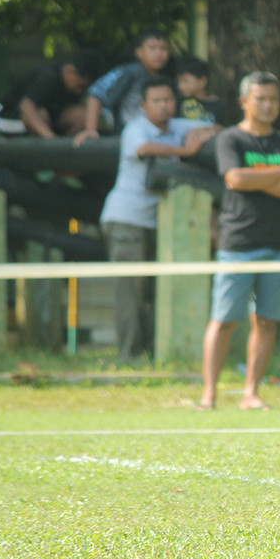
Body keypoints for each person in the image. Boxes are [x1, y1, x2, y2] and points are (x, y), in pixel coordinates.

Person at [197, 71, 280, 410]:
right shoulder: (230, 140)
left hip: (279, 244)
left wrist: (252, 179)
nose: (268, 105)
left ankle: (251, 393)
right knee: (224, 319)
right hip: (237, 243)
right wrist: (276, 175)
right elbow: (234, 178)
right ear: (245, 102)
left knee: (267, 321)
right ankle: (209, 394)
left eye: (273, 99)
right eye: (260, 98)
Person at [99, 75, 218, 361]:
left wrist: (203, 134)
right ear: (143, 106)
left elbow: (218, 128)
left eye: (168, 100)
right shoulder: (135, 129)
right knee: (131, 293)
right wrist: (185, 151)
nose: (163, 106)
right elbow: (144, 150)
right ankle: (129, 356)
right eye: (157, 101)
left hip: (159, 222)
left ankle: (154, 353)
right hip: (127, 219)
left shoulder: (178, 126)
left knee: (158, 289)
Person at [73, 29, 172, 146]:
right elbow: (96, 95)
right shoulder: (129, 72)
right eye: (152, 48)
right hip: (127, 137)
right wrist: (90, 130)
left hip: (152, 138)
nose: (158, 53)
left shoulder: (161, 78)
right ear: (139, 52)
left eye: (163, 49)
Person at [0, 48, 105, 138]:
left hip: (48, 121)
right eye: (81, 86)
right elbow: (26, 106)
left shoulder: (74, 90)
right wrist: (50, 138)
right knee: (40, 114)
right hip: (9, 118)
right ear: (71, 71)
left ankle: (68, 159)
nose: (81, 91)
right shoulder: (49, 77)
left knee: (81, 115)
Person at [175, 56, 224, 124]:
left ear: (202, 81)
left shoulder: (216, 105)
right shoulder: (177, 103)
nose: (180, 86)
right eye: (178, 81)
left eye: (185, 81)